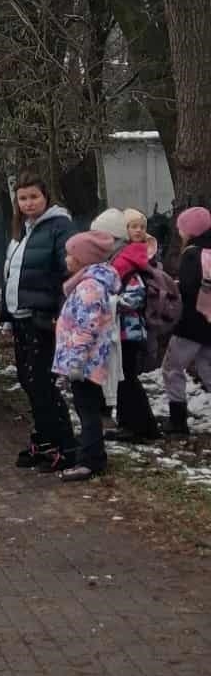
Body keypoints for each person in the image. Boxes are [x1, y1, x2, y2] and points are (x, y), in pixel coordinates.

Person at [0, 173, 75, 471]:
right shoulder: (22, 230)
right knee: (28, 381)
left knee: (42, 382)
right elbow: (13, 274)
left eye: (34, 197)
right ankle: (44, 440)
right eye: (23, 198)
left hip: (42, 318)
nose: (28, 203)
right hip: (20, 317)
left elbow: (67, 272)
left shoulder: (59, 227)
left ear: (46, 197)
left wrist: (59, 312)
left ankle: (64, 445)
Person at [52, 231, 122, 481]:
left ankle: (90, 460)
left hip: (84, 362)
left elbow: (87, 327)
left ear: (84, 259)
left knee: (88, 410)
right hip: (85, 360)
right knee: (87, 407)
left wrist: (75, 361)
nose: (67, 259)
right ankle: (93, 454)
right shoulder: (88, 283)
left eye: (71, 255)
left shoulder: (89, 287)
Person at [91, 209, 160, 441]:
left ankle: (140, 427)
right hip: (125, 328)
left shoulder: (124, 261)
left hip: (126, 329)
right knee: (125, 377)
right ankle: (135, 423)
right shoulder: (124, 257)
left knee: (127, 377)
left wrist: (110, 303)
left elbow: (134, 293)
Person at [161, 205, 211, 437]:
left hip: (191, 324)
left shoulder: (192, 254)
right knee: (207, 368)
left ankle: (177, 419)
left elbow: (189, 288)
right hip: (208, 322)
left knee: (172, 367)